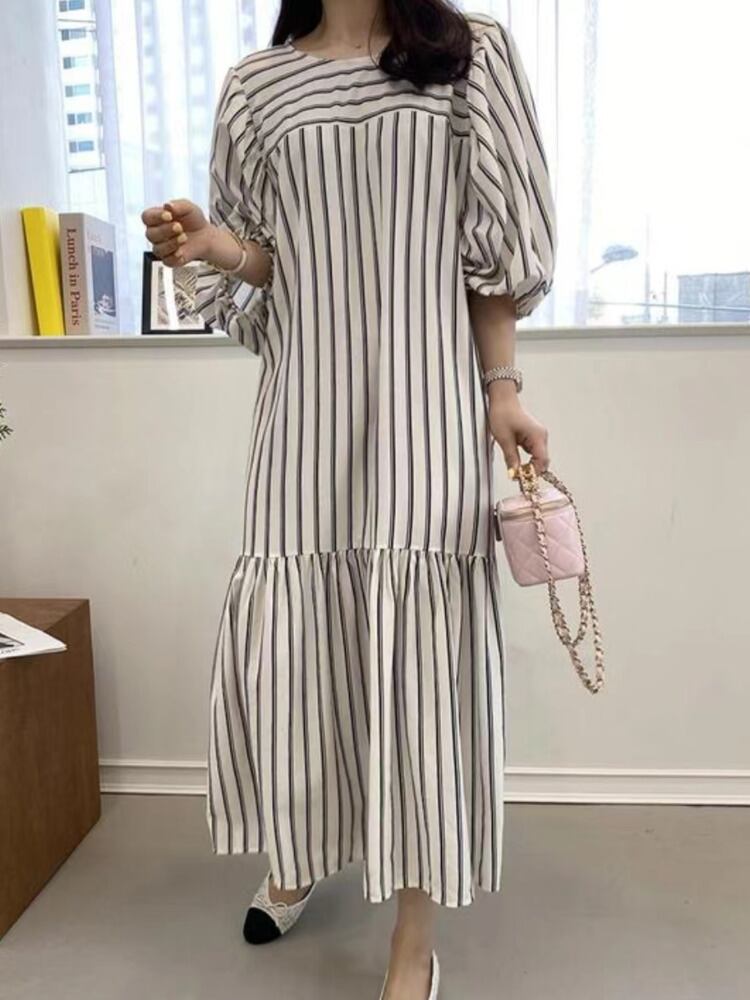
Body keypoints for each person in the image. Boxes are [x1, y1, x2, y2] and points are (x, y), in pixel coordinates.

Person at [142, 2, 555, 997]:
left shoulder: (469, 54)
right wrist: (211, 246)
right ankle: (302, 847)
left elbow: (492, 255)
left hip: (429, 413)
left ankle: (413, 936)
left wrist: (503, 390)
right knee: (303, 648)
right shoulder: (257, 85)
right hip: (304, 415)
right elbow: (269, 259)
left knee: (420, 666)